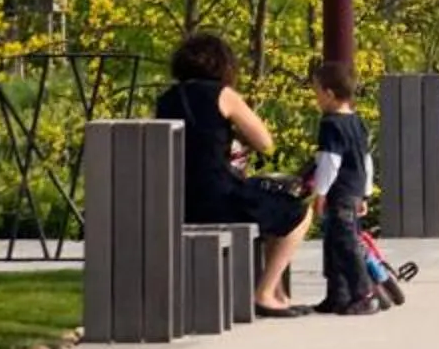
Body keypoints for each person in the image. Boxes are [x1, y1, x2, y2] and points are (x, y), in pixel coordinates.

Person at [154, 32, 311, 317]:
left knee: (271, 209)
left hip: (178, 203)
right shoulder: (223, 95)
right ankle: (265, 293)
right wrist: (235, 131)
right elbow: (265, 143)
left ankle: (279, 295)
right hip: (219, 199)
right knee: (298, 212)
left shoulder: (166, 99)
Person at [302, 57, 383, 316]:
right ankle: (338, 294)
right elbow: (366, 160)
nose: (316, 98)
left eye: (317, 92)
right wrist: (366, 193)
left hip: (339, 193)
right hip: (354, 191)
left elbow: (330, 162)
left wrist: (320, 193)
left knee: (346, 245)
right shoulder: (357, 122)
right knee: (334, 243)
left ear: (329, 93)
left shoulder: (331, 124)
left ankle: (364, 293)